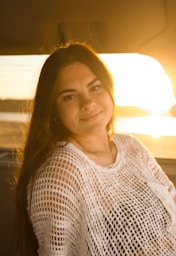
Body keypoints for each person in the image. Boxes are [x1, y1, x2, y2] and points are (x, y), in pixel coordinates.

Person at [16, 42, 176, 256]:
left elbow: (172, 199)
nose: (88, 102)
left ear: (109, 89)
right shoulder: (60, 174)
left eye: (95, 87)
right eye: (69, 96)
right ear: (53, 110)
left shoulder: (131, 146)